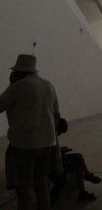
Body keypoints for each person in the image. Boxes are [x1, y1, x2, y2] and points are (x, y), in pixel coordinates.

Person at [0, 54, 60, 210]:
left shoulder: (18, 87)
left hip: (23, 145)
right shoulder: (48, 85)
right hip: (47, 143)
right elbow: (56, 115)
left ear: (18, 72)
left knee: (23, 187)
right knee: (42, 184)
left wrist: (11, 86)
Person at [49, 118, 101, 205]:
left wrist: (61, 150)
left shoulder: (50, 134)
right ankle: (87, 178)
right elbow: (52, 155)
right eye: (60, 133)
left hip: (54, 161)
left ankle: (86, 180)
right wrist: (61, 152)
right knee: (78, 158)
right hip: (54, 164)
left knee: (78, 161)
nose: (59, 135)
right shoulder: (51, 136)